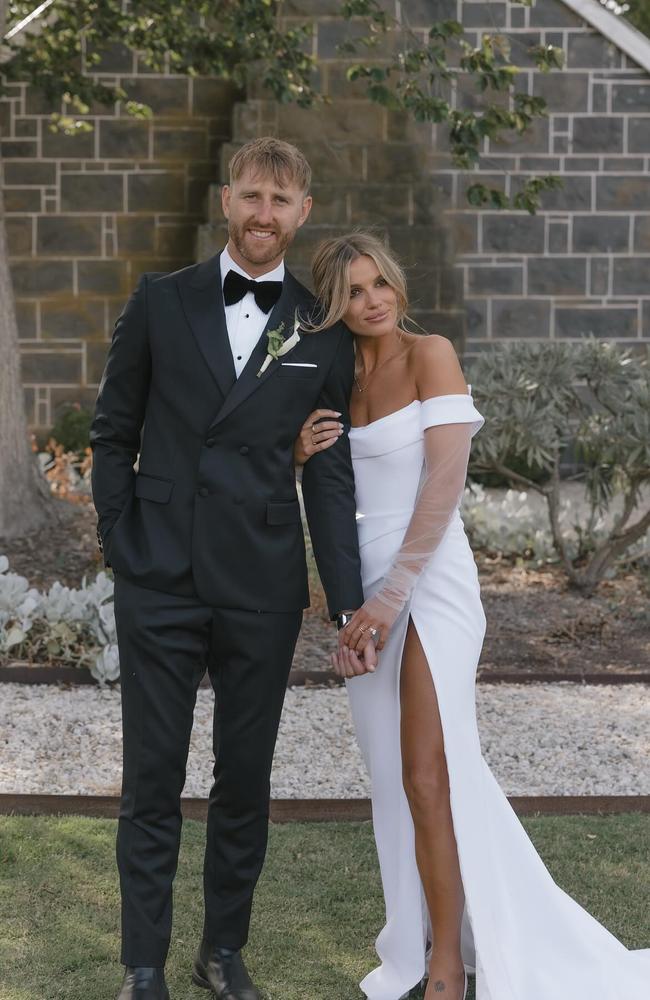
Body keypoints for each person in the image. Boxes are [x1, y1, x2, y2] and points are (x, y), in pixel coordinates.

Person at [295, 231, 650, 1000]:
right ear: (333, 306)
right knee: (395, 781)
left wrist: (393, 599)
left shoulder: (431, 355)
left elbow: (443, 484)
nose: (373, 300)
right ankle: (427, 940)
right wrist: (295, 462)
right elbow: (328, 503)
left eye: (380, 282)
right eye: (353, 292)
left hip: (433, 581)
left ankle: (448, 967)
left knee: (430, 773)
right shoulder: (332, 384)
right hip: (366, 593)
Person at [90, 138, 375, 1000]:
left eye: (280, 202)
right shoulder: (160, 301)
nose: (263, 215)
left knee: (244, 779)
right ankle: (144, 964)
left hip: (261, 582)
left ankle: (223, 953)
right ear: (226, 200)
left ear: (303, 213)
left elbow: (328, 474)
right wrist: (121, 541)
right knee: (152, 775)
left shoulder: (320, 329)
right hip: (162, 576)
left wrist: (349, 606)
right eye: (252, 196)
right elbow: (113, 430)